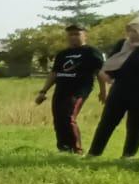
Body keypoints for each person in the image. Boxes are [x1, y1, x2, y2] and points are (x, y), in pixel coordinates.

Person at [87, 15, 139, 158]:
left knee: (136, 126)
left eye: (135, 31)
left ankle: (128, 156)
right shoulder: (123, 44)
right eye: (130, 31)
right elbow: (111, 64)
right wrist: (106, 75)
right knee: (107, 122)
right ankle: (93, 153)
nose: (131, 34)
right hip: (119, 89)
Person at [35, 24, 107, 154]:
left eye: (77, 34)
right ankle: (63, 148)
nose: (73, 37)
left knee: (69, 117)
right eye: (70, 34)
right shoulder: (63, 54)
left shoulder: (91, 52)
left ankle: (76, 150)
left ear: (85, 35)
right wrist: (43, 91)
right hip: (61, 89)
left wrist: (103, 92)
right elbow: (54, 73)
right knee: (58, 119)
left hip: (79, 90)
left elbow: (100, 73)